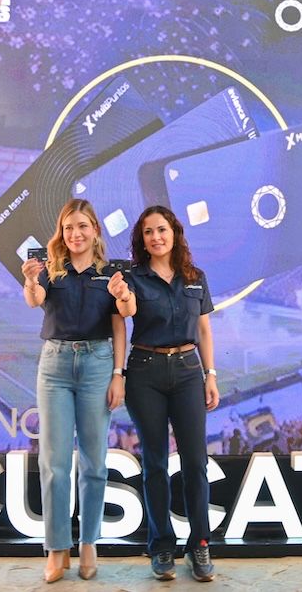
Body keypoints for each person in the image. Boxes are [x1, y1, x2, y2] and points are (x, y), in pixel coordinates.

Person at [21, 199, 136, 583]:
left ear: (95, 230)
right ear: (62, 232)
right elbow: (35, 300)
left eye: (83, 226)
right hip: (55, 365)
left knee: (94, 461)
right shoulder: (51, 270)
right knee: (54, 463)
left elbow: (121, 322)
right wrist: (30, 281)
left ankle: (88, 543)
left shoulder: (111, 273)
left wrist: (118, 374)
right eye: (69, 227)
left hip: (97, 365)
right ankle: (57, 548)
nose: (76, 234)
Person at [124, 205, 220, 582]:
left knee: (195, 463)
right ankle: (161, 545)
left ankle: (199, 544)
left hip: (188, 372)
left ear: (174, 232)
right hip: (145, 372)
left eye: (161, 229)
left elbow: (205, 331)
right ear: (142, 239)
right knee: (155, 465)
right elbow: (124, 315)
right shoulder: (132, 278)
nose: (156, 237)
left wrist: (211, 375)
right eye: (148, 232)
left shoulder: (195, 277)